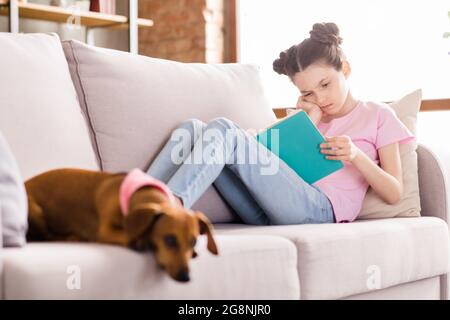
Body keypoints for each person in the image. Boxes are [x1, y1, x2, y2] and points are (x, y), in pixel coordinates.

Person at [146, 22, 414, 225]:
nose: (319, 98)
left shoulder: (378, 115)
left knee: (226, 130)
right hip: (264, 210)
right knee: (193, 129)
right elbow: (274, 169)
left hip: (320, 210)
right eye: (308, 93)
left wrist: (355, 156)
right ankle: (137, 199)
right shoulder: (305, 118)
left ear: (344, 69)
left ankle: (166, 208)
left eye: (325, 84)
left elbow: (394, 193)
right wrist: (306, 121)